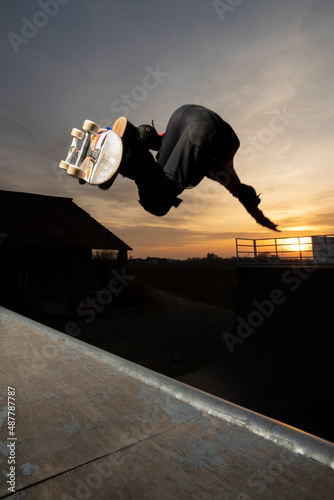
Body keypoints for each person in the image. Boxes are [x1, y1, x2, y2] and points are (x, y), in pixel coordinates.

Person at [99, 104, 279, 231]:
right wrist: (261, 220)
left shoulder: (200, 158)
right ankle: (131, 146)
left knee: (157, 176)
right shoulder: (226, 173)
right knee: (160, 202)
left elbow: (155, 140)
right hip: (208, 130)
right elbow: (244, 195)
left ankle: (115, 141)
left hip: (183, 114)